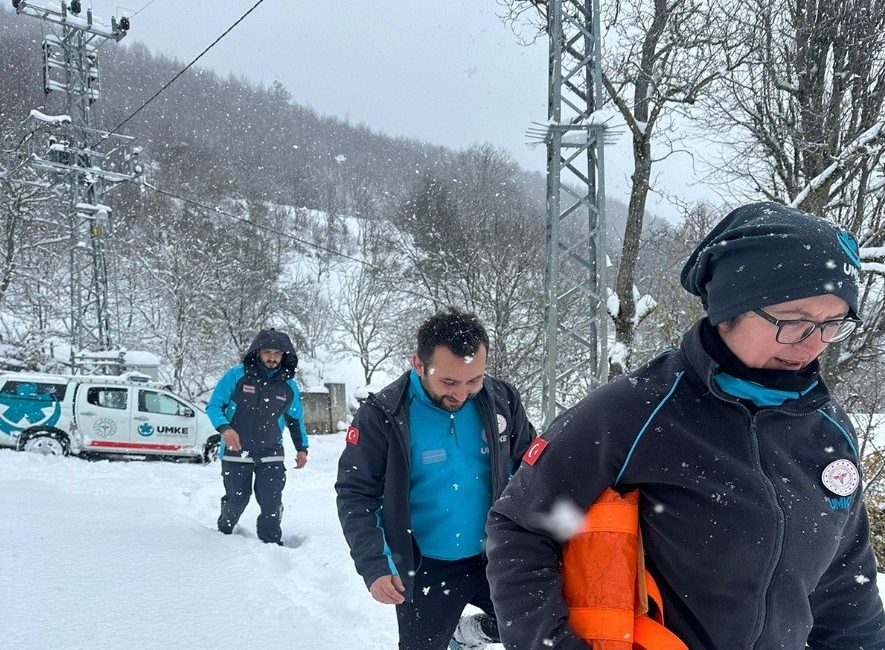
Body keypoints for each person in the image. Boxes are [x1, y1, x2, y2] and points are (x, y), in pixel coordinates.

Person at [485, 202, 885, 648]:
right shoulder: (634, 412)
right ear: (731, 307)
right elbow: (520, 527)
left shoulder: (829, 430)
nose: (813, 344)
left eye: (832, 323)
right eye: (793, 321)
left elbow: (844, 582)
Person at [336, 308, 537, 650]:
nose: (462, 394)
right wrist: (373, 563)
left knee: (536, 628)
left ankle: (470, 633)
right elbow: (356, 492)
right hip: (426, 568)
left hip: (495, 556)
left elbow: (533, 465)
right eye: (448, 382)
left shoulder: (500, 399)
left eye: (473, 380)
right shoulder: (384, 414)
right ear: (418, 363)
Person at [207, 328, 309, 545]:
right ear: (258, 353)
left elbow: (295, 419)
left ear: (284, 356)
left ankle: (272, 543)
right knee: (237, 499)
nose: (272, 358)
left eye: (278, 353)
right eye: (267, 352)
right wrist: (225, 428)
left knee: (271, 500)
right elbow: (214, 406)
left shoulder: (288, 386)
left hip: (271, 451)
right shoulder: (236, 376)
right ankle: (222, 535)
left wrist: (302, 448)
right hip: (238, 451)